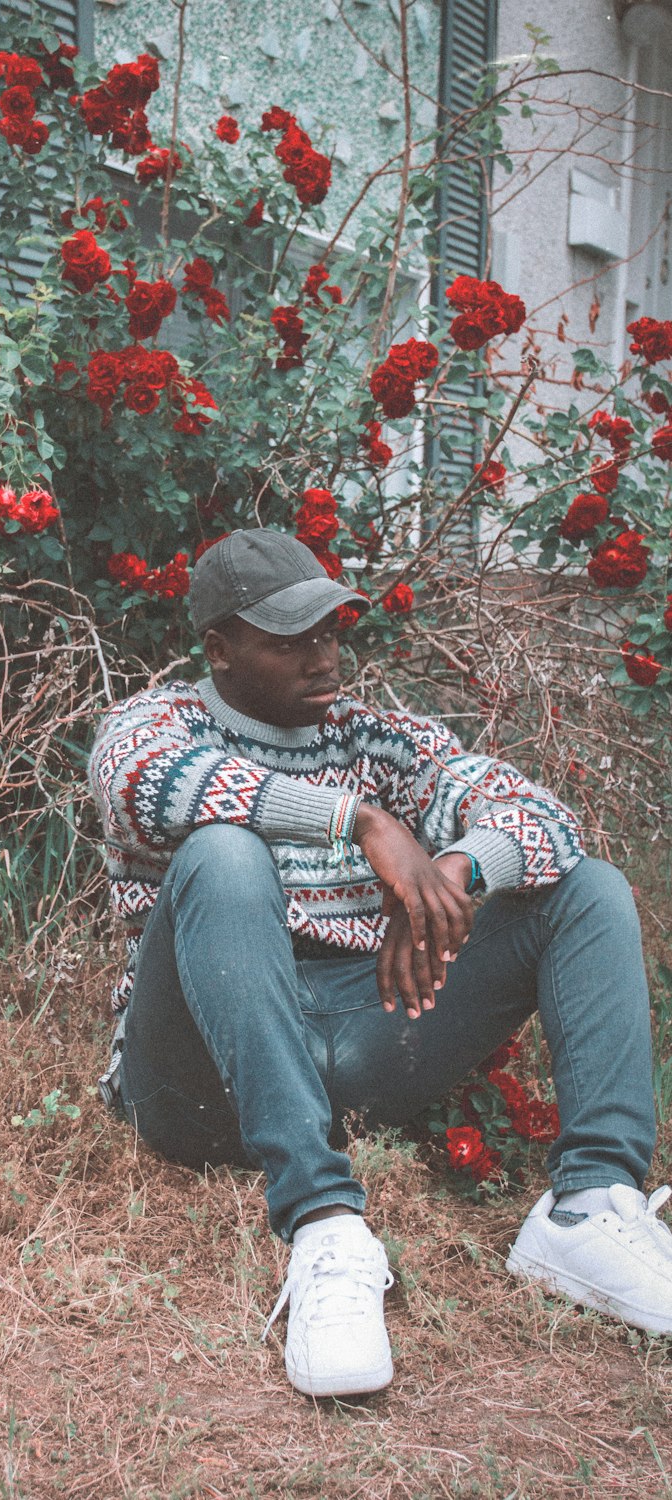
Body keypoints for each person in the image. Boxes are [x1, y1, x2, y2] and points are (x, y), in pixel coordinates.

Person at [88, 528, 671, 1399]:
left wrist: (456, 868)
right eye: (290, 640)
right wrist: (362, 822)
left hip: (360, 1042)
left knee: (585, 888)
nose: (323, 657)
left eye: (330, 631)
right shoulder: (157, 721)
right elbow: (149, 781)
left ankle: (590, 1204)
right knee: (223, 852)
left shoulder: (377, 738)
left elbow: (543, 816)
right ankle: (323, 1224)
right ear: (220, 649)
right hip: (197, 1077)